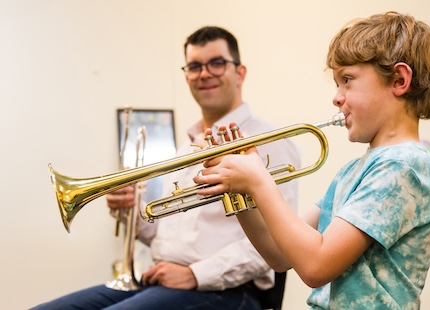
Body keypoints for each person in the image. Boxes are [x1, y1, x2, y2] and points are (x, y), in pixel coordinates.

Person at [194, 11, 430, 309]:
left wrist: (258, 180)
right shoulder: (356, 169)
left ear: (399, 79)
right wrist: (241, 191)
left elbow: (316, 266)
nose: (337, 97)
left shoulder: (403, 166)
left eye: (347, 80)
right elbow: (278, 256)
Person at [32, 26, 300, 310]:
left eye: (217, 63)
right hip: (164, 280)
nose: (204, 73)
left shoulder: (267, 141)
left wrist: (195, 275)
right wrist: (131, 212)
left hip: (231, 291)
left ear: (240, 72)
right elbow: (167, 235)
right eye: (195, 66)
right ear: (186, 77)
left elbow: (277, 241)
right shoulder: (187, 147)